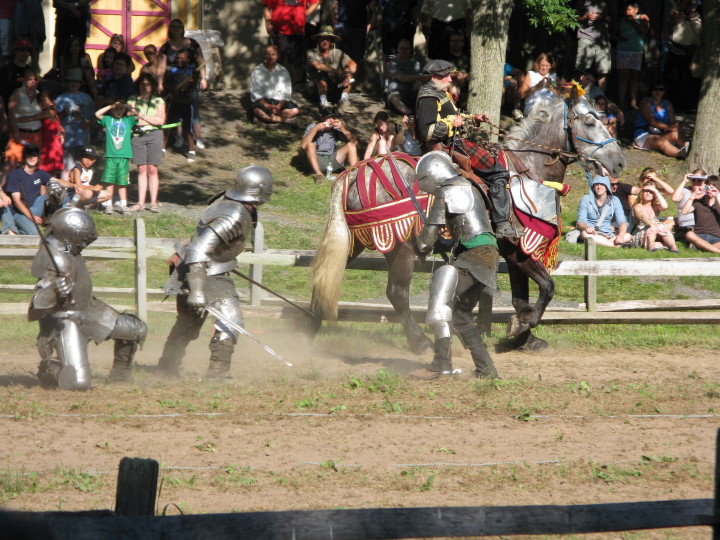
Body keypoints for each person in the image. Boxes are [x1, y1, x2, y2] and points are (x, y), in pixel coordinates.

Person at [156, 166, 273, 380]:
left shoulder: (228, 201)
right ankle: (217, 372)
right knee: (230, 319)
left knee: (189, 322)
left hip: (200, 266)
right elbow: (199, 249)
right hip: (202, 269)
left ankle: (166, 366)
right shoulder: (236, 213)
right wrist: (197, 292)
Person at [29, 208, 147, 388]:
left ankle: (120, 375)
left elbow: (54, 220)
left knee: (134, 329)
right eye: (83, 237)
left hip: (88, 310)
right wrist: (55, 290)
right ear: (70, 235)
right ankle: (49, 368)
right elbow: (38, 301)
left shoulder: (68, 248)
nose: (87, 240)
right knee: (78, 383)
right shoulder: (55, 258)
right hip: (66, 320)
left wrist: (54, 203)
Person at [409, 151, 499, 380]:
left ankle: (441, 364)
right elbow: (468, 227)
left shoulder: (446, 190)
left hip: (475, 254)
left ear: (432, 173)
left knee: (440, 308)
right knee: (460, 316)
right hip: (487, 252)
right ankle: (486, 371)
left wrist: (416, 243)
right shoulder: (470, 185)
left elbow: (428, 237)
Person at [415, 59, 523, 239]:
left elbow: (454, 115)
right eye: (446, 76)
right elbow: (426, 131)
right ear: (434, 77)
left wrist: (474, 118)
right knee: (498, 172)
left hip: (454, 142)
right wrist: (451, 122)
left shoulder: (438, 93)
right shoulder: (428, 96)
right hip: (449, 146)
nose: (450, 79)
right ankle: (502, 225)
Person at [158, 19, 208, 149]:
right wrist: (160, 83)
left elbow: (200, 60)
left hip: (191, 81)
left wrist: (203, 78)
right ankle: (179, 137)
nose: (175, 29)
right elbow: (162, 66)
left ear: (182, 28)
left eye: (178, 27)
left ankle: (198, 138)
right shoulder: (166, 47)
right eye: (173, 27)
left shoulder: (192, 43)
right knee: (176, 110)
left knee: (193, 109)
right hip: (173, 83)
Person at [127, 73, 165, 212]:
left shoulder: (158, 101)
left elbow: (160, 121)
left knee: (152, 169)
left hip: (154, 135)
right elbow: (129, 115)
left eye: (147, 84)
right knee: (141, 168)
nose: (144, 86)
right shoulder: (132, 99)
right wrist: (150, 118)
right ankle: (141, 202)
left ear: (152, 86)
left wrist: (142, 116)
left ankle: (153, 202)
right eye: (142, 84)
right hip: (137, 135)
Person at [262, 0, 320, 86]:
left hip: (298, 31)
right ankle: (272, 84)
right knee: (276, 59)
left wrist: (307, 12)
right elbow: (267, 6)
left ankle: (298, 84)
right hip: (279, 30)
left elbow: (317, 1)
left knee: (297, 61)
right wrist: (268, 22)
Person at [95, 98, 137, 215]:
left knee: (122, 182)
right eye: (116, 109)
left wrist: (128, 107)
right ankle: (108, 204)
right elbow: (97, 114)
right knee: (109, 181)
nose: (118, 111)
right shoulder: (108, 120)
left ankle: (123, 205)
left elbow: (139, 115)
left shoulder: (128, 120)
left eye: (121, 108)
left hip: (123, 156)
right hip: (111, 155)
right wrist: (111, 106)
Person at [54, 67, 94, 181]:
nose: (74, 83)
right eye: (71, 81)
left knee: (82, 166)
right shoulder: (61, 98)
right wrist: (62, 113)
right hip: (68, 139)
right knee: (67, 167)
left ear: (80, 83)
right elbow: (54, 119)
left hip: (83, 138)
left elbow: (94, 116)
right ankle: (65, 191)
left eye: (76, 81)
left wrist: (88, 122)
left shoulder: (86, 98)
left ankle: (80, 189)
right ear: (67, 82)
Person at [306, 26, 357, 114]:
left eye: (327, 39)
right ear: (318, 40)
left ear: (331, 42)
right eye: (322, 39)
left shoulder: (338, 52)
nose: (325, 41)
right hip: (315, 89)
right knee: (322, 74)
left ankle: (343, 101)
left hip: (334, 87)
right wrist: (339, 72)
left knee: (349, 75)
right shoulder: (311, 52)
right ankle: (323, 103)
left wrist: (348, 75)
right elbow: (318, 66)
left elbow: (353, 64)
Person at [1, 144, 50, 234]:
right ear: (24, 157)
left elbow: (57, 180)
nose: (32, 158)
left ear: (38, 157)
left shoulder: (41, 173)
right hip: (18, 213)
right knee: (36, 233)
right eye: (29, 155)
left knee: (57, 193)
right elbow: (16, 201)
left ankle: (55, 225)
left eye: (34, 155)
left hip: (33, 209)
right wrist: (32, 217)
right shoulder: (15, 174)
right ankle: (13, 230)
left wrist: (75, 186)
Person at [633, 83, 687, 159]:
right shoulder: (645, 102)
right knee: (662, 142)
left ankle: (689, 148)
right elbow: (652, 121)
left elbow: (673, 122)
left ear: (664, 92)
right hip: (644, 135)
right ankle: (682, 155)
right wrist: (669, 128)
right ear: (651, 91)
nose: (658, 92)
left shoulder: (667, 104)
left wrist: (675, 127)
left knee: (676, 133)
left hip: (661, 133)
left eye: (661, 89)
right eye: (655, 89)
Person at [576, 175, 632, 247]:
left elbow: (622, 221)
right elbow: (580, 221)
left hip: (608, 233)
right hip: (592, 233)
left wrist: (620, 235)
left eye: (602, 184)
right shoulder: (586, 199)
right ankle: (614, 245)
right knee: (584, 234)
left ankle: (606, 243)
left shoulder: (615, 200)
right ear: (593, 186)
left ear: (607, 187)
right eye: (597, 185)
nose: (599, 187)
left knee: (627, 236)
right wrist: (586, 227)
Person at [250, 45, 300, 125]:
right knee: (257, 110)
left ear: (277, 56)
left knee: (295, 110)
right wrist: (268, 105)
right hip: (264, 101)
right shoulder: (257, 70)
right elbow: (256, 92)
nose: (270, 57)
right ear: (264, 55)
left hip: (279, 102)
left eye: (273, 55)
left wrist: (279, 106)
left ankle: (268, 118)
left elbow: (287, 92)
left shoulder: (283, 71)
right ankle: (285, 120)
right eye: (268, 54)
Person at [301, 113, 358, 183]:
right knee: (310, 145)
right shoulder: (313, 126)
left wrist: (342, 128)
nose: (331, 120)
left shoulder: (335, 129)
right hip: (317, 159)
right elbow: (303, 145)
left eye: (333, 117)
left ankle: (354, 173)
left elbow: (354, 142)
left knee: (350, 145)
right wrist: (315, 129)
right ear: (322, 118)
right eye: (328, 117)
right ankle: (319, 175)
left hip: (332, 159)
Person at [162, 48, 197, 162]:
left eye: (182, 58)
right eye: (177, 57)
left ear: (188, 59)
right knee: (168, 124)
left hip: (187, 101)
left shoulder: (192, 70)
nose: (179, 59)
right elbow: (167, 83)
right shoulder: (172, 70)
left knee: (188, 127)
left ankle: (191, 150)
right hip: (174, 101)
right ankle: (163, 148)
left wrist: (188, 84)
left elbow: (194, 84)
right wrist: (172, 89)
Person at [672, 172, 720, 253]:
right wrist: (693, 195)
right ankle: (715, 251)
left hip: (717, 236)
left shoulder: (718, 202)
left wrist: (717, 196)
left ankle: (703, 248)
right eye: (709, 188)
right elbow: (684, 212)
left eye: (713, 188)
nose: (711, 191)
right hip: (699, 235)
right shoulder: (698, 202)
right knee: (689, 234)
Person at [614, 1, 649, 110]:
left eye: (629, 10)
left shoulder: (642, 18)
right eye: (625, 10)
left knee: (634, 77)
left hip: (636, 51)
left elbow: (645, 31)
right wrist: (620, 38)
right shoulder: (621, 20)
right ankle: (621, 102)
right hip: (623, 51)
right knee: (623, 77)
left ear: (636, 10)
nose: (627, 12)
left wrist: (633, 22)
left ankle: (633, 103)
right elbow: (613, 34)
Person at [5, 67, 42, 164]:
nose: (33, 81)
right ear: (24, 80)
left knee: (32, 166)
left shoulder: (40, 95)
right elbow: (11, 114)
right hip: (20, 133)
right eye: (30, 79)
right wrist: (16, 132)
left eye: (35, 79)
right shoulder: (18, 93)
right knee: (11, 164)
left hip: (36, 135)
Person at [574, 1, 612, 93]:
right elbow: (574, 18)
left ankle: (601, 97)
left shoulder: (608, 2)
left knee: (603, 71)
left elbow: (614, 18)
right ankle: (578, 96)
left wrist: (602, 17)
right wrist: (586, 17)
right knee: (582, 70)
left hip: (603, 39)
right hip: (585, 36)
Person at [632, 180, 679, 252]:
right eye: (646, 191)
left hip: (657, 231)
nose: (648, 193)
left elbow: (665, 206)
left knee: (662, 227)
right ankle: (651, 245)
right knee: (652, 228)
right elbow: (641, 216)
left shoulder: (655, 207)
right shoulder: (637, 206)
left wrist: (656, 191)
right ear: (642, 193)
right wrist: (650, 224)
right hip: (641, 232)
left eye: (651, 192)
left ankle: (673, 247)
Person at [384, 38, 423, 115]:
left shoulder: (417, 64)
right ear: (397, 50)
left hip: (411, 92)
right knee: (393, 98)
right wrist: (418, 76)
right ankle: (411, 114)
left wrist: (419, 79)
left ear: (410, 50)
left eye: (407, 48)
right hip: (397, 92)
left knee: (420, 84)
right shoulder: (392, 64)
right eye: (402, 48)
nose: (404, 51)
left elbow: (422, 79)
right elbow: (402, 78)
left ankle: (423, 110)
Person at [52, 0, 90, 69]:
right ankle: (59, 70)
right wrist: (71, 8)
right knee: (61, 45)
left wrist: (76, 4)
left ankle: (79, 71)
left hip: (81, 15)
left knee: (79, 45)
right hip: (63, 15)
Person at [58, 35, 96, 100]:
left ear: (80, 47)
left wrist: (85, 67)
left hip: (83, 81)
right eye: (72, 45)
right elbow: (62, 75)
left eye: (76, 45)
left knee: (87, 73)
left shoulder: (85, 56)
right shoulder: (63, 58)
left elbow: (91, 74)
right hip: (69, 81)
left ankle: (96, 98)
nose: (74, 47)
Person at [36, 91, 64, 176]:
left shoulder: (49, 112)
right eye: (40, 101)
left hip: (50, 146)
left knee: (47, 171)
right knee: (50, 171)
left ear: (52, 102)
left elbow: (30, 118)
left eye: (44, 100)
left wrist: (16, 120)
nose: (42, 102)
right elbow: (61, 128)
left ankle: (48, 188)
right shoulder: (54, 113)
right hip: (49, 144)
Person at [0, 38, 32, 109]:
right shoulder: (6, 70)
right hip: (11, 109)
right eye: (22, 49)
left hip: (29, 108)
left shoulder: (31, 70)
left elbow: (40, 92)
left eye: (28, 50)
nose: (25, 53)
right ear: (15, 52)